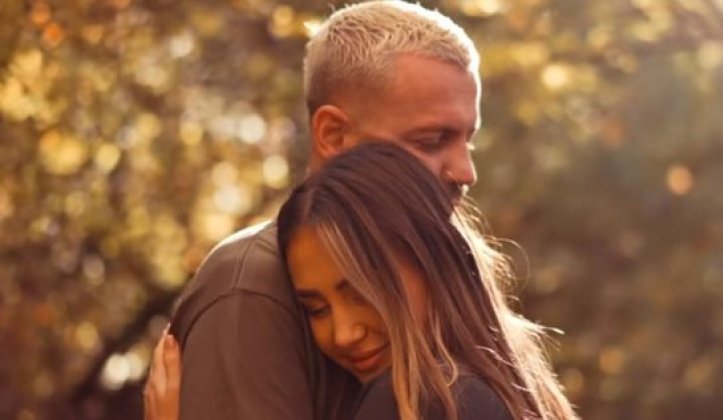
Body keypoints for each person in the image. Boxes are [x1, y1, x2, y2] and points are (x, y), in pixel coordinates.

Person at [156, 2, 485, 419]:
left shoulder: (446, 281)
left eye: (468, 141)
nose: (466, 172)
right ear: (334, 135)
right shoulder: (254, 285)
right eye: (430, 141)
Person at [149, 143, 579, 420]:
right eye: (316, 309)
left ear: (430, 262)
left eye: (361, 293)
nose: (344, 333)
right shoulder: (502, 391)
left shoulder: (421, 402)